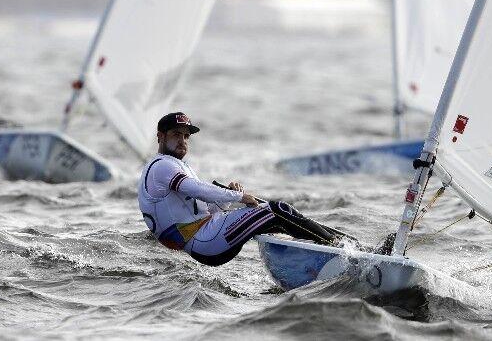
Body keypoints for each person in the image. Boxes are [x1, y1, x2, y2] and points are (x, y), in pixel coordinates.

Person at [138, 112, 354, 266]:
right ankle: (342, 250)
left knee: (279, 215)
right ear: (160, 136)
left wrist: (226, 201)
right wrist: (239, 196)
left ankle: (340, 246)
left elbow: (206, 210)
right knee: (277, 210)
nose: (183, 141)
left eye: (186, 136)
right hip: (204, 242)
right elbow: (196, 189)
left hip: (206, 238)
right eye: (176, 134)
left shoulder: (177, 166)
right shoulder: (162, 166)